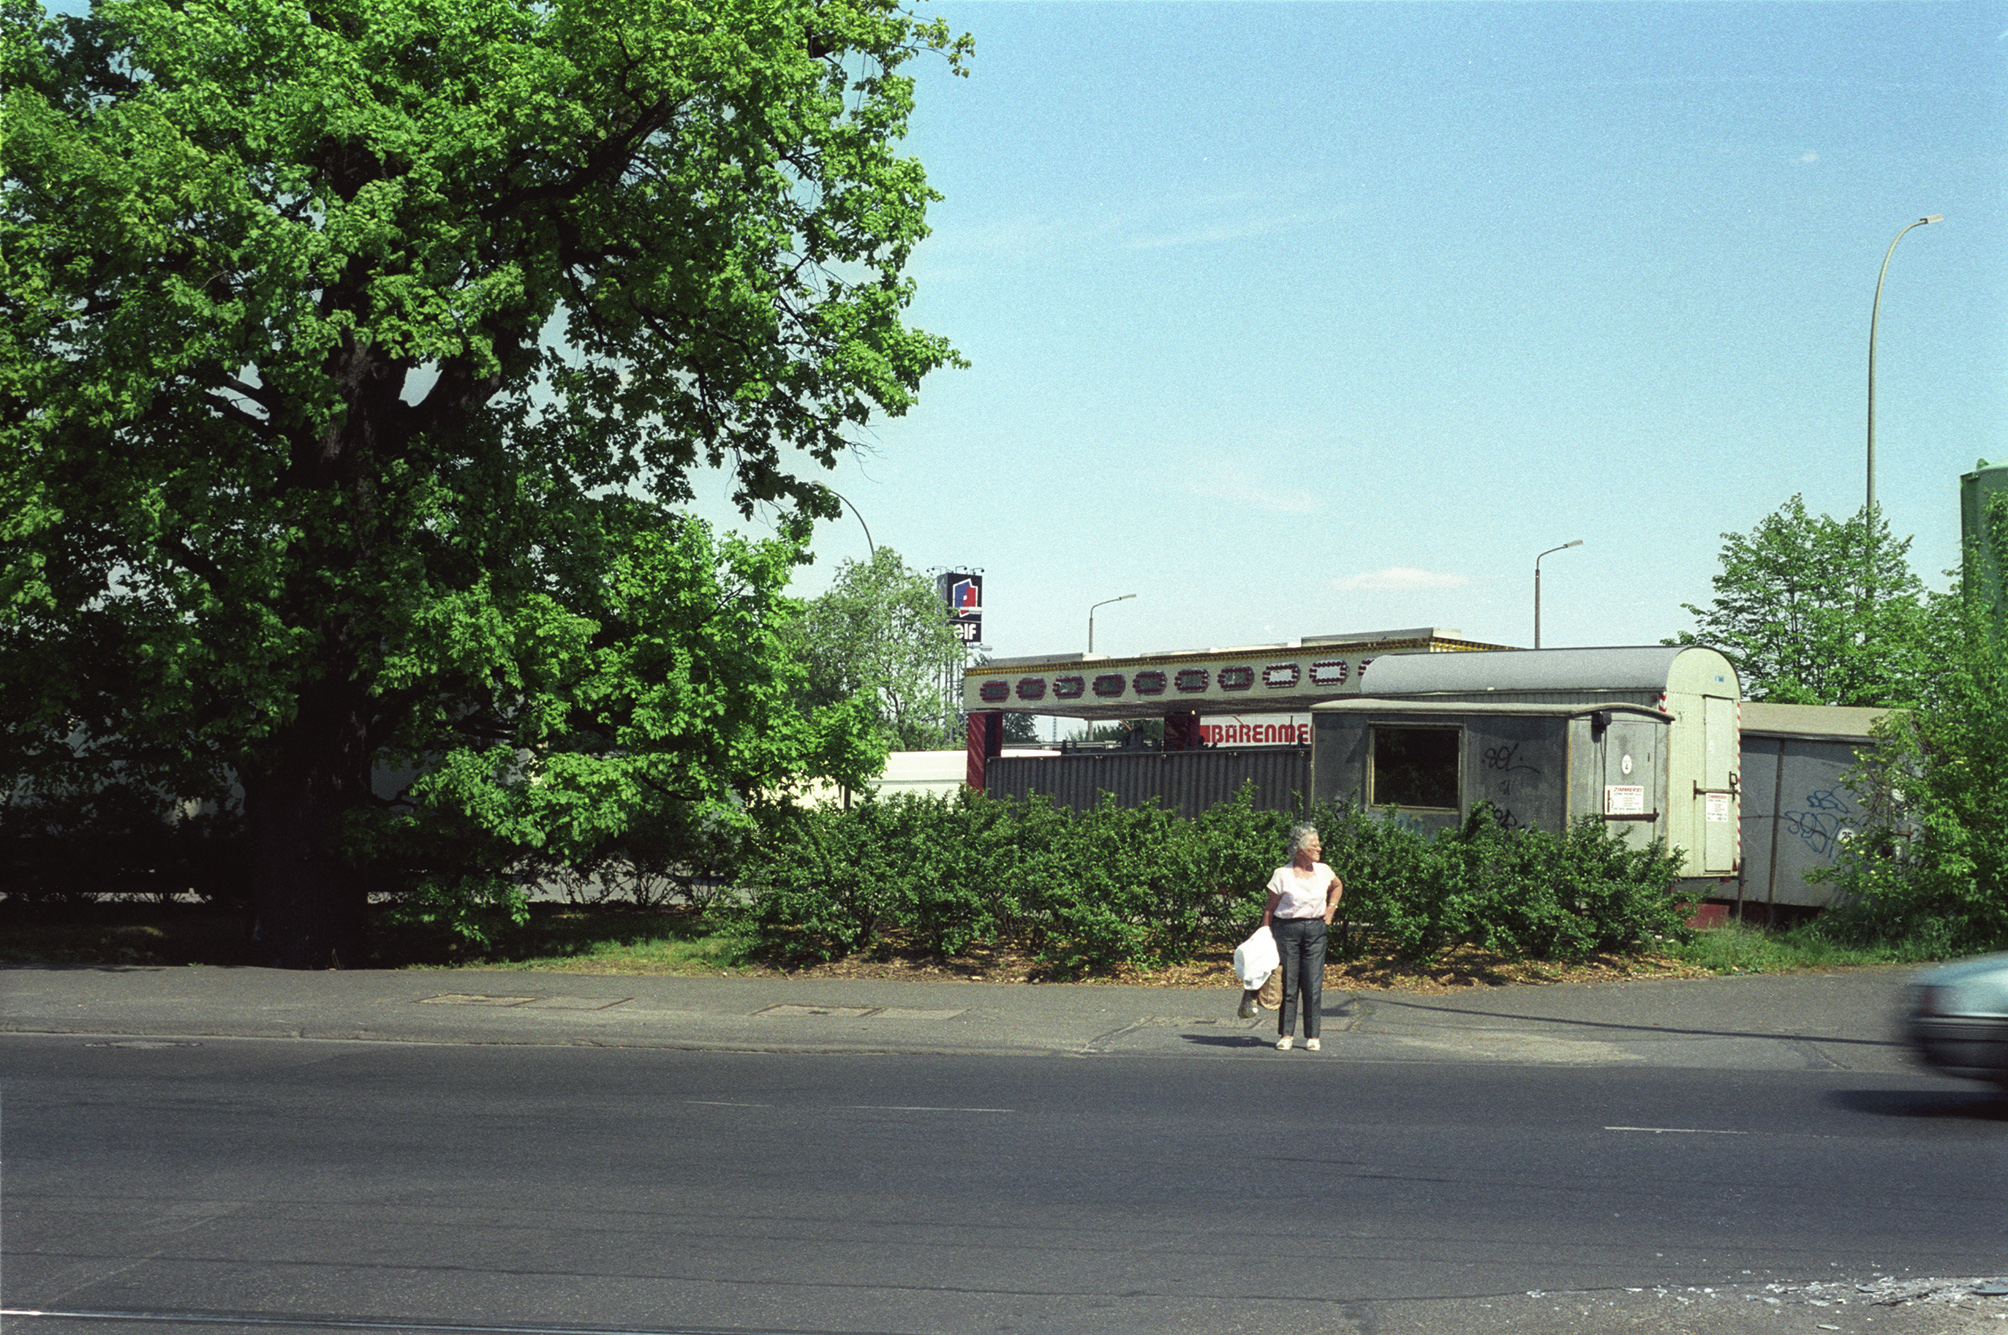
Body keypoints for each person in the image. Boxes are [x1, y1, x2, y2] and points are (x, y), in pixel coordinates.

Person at [1263, 823, 1343, 1051]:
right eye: (1314, 845)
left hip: (1316, 931)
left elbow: (1338, 886)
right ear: (1300, 849)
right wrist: (1265, 935)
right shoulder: (1282, 874)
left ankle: (1313, 1036)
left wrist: (1331, 910)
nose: (1319, 848)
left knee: (1312, 983)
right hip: (1287, 931)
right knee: (1288, 984)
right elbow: (1269, 908)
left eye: (1319, 844)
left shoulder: (1324, 870)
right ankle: (1286, 1035)